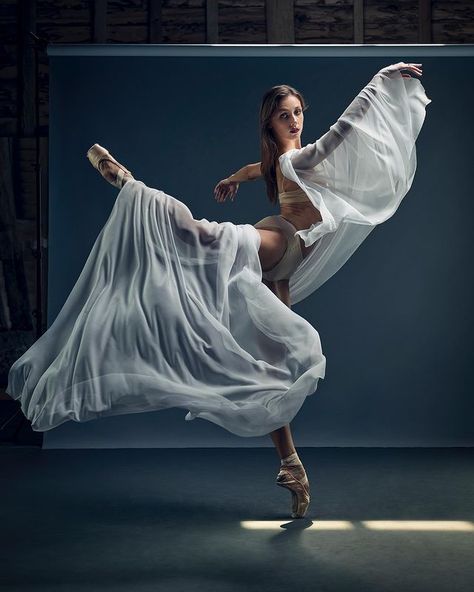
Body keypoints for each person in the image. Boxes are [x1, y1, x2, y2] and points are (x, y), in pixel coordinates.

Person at [7, 62, 430, 520]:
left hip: (283, 266)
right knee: (200, 235)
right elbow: (344, 131)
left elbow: (257, 168)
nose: (295, 120)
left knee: (276, 366)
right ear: (270, 121)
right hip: (277, 241)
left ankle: (290, 464)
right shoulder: (295, 159)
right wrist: (380, 81)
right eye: (285, 115)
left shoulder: (285, 159)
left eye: (297, 112)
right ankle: (132, 188)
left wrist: (234, 178)